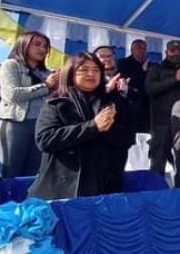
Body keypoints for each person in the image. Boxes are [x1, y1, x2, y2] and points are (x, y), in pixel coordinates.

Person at [29, 53, 134, 200]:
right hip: (61, 191)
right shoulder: (57, 102)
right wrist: (93, 127)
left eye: (96, 69)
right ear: (71, 72)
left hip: (102, 187)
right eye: (84, 69)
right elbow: (45, 139)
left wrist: (108, 128)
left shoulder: (113, 102)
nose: (91, 74)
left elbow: (127, 138)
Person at [0, 31, 58, 178]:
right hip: (14, 124)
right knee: (11, 174)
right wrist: (46, 86)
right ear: (23, 44)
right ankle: (7, 201)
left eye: (45, 46)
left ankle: (26, 202)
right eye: (37, 44)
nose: (42, 49)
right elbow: (12, 94)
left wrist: (56, 88)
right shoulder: (11, 65)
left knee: (32, 175)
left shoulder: (47, 73)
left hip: (40, 127)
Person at [145, 40, 180, 174]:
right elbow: (150, 89)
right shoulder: (156, 69)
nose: (176, 53)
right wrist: (174, 80)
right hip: (161, 122)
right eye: (172, 50)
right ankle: (155, 193)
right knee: (158, 162)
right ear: (166, 52)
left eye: (179, 50)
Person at [116, 39, 150, 133]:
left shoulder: (150, 64)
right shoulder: (123, 62)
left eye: (144, 48)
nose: (142, 51)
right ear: (132, 50)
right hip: (130, 105)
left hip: (146, 107)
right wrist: (142, 70)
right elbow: (125, 81)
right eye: (139, 48)